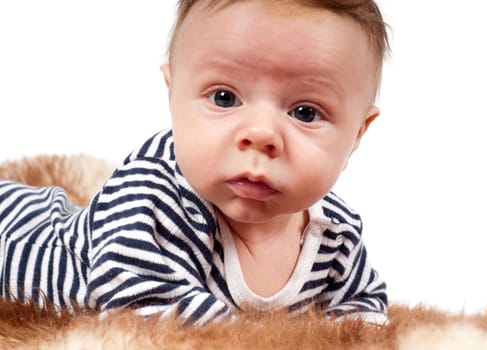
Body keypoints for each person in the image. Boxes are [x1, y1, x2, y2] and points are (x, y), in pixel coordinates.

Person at [0, 0, 389, 325]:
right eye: (224, 98)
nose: (260, 134)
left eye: (305, 112)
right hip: (19, 231)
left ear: (357, 133)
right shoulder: (151, 196)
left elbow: (366, 311)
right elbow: (149, 316)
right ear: (173, 95)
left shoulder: (335, 234)